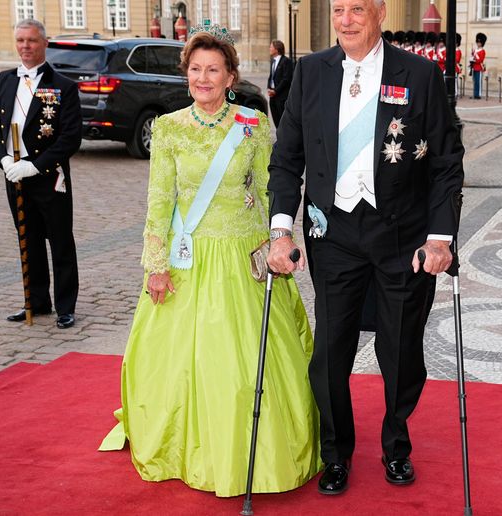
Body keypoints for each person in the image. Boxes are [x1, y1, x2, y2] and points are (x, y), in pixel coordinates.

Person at [97, 27, 321, 497]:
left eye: (213, 70)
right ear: (187, 74)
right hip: (188, 260)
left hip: (242, 259)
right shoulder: (168, 128)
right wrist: (156, 265)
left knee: (246, 366)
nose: (203, 78)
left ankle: (253, 450)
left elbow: (271, 190)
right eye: (195, 69)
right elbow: (160, 201)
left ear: (230, 77)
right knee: (182, 362)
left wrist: (280, 241)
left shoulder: (252, 125)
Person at [267, 0, 464, 496]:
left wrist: (440, 238)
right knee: (329, 354)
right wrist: (281, 230)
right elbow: (286, 158)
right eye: (339, 9)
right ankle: (336, 454)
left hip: (402, 236)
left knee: (400, 351)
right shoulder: (311, 72)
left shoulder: (419, 75)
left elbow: (445, 161)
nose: (346, 20)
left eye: (357, 8)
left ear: (379, 12)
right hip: (333, 234)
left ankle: (396, 445)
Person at [0, 19, 81, 329]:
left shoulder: (63, 85)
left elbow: (70, 138)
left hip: (49, 175)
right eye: (20, 40)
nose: (25, 46)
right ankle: (36, 301)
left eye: (32, 40)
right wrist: (3, 160)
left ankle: (65, 306)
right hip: (15, 173)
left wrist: (36, 165)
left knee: (60, 242)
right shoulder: (4, 79)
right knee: (29, 239)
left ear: (44, 43)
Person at [267, 39, 293, 127]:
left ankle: (283, 135)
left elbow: (286, 79)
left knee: (282, 120)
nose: (269, 49)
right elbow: (271, 76)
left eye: (271, 47)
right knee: (276, 119)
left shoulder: (286, 61)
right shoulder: (273, 61)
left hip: (281, 96)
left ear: (277, 49)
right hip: (273, 96)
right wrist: (269, 88)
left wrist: (275, 91)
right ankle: (279, 134)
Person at [470, 32, 486, 99]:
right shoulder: (475, 50)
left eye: (479, 42)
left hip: (479, 68)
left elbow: (480, 60)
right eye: (477, 42)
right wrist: (472, 56)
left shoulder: (482, 51)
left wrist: (475, 55)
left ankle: (478, 95)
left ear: (482, 43)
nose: (478, 43)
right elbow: (473, 58)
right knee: (475, 81)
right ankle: (475, 94)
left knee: (478, 82)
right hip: (474, 67)